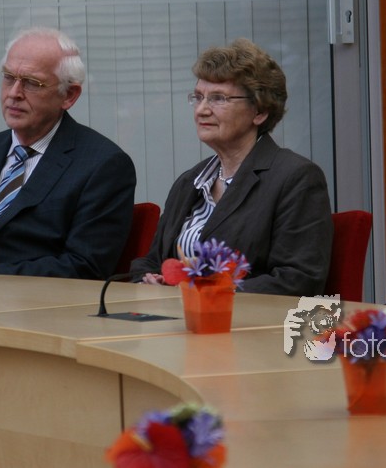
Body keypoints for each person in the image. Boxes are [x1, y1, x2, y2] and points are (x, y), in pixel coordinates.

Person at [0, 26, 137, 279]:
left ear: (69, 95)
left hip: (27, 300)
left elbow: (84, 266)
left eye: (31, 83)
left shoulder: (102, 165)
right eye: (9, 77)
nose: (13, 93)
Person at [130, 38, 333, 295]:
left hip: (250, 319)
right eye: (198, 97)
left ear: (259, 112)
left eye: (218, 98)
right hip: (176, 315)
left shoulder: (296, 178)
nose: (201, 110)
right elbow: (150, 261)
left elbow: (298, 279)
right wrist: (150, 280)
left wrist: (204, 293)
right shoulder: (190, 182)